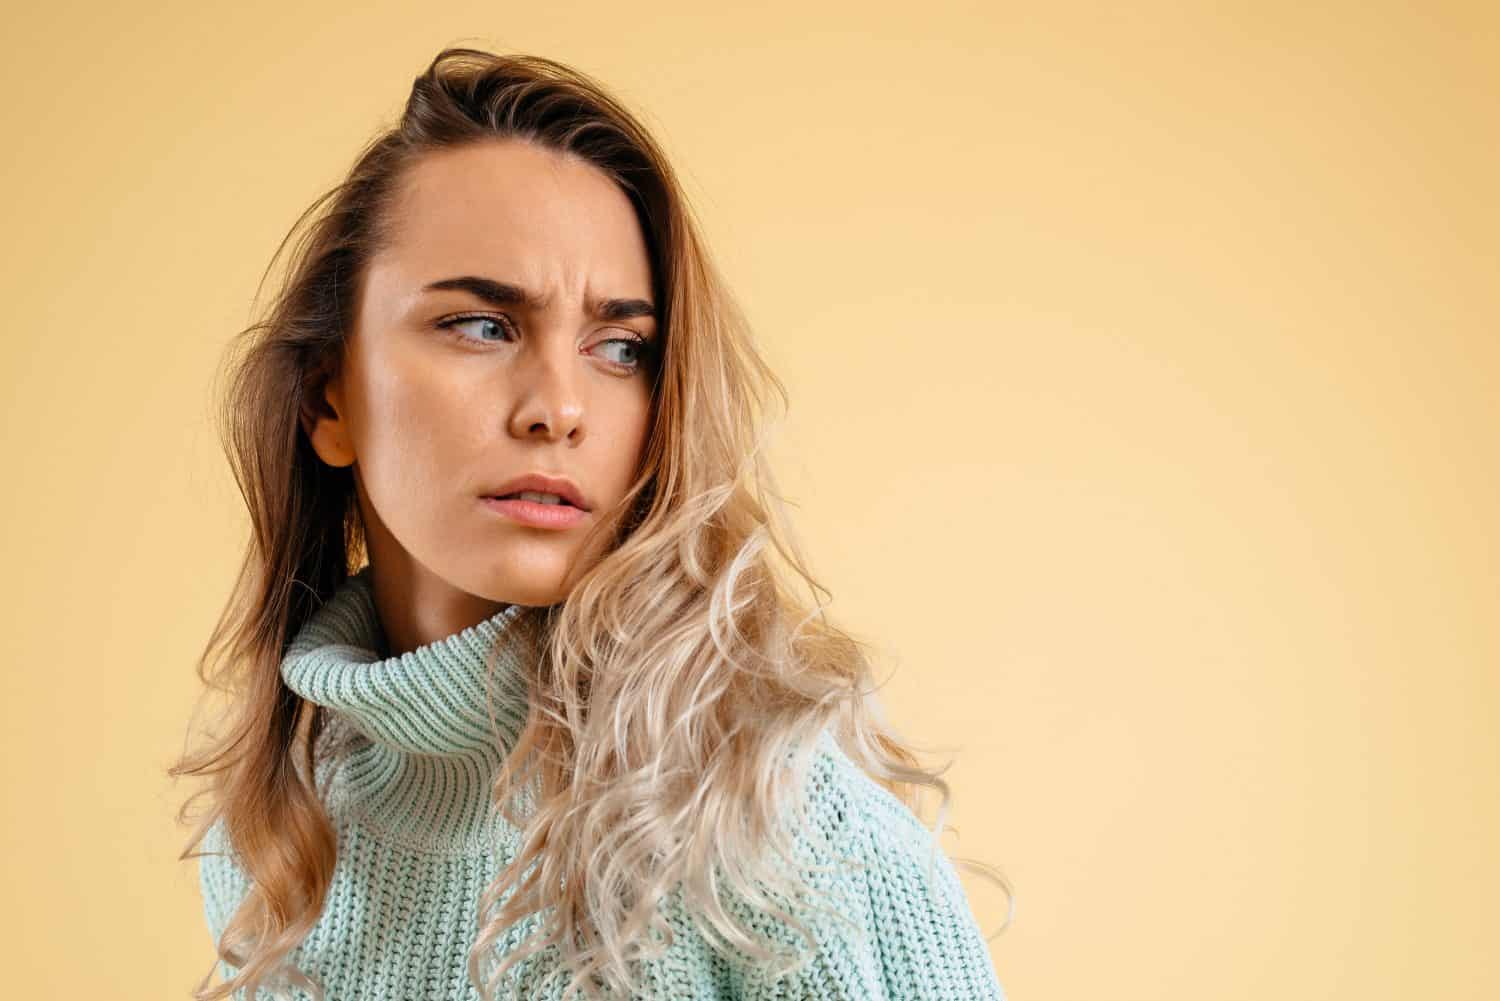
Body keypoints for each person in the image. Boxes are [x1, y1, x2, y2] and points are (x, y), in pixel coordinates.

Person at [169, 46, 1014, 1001]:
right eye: (483, 325)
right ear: (329, 399)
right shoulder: (271, 846)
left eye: (620, 348)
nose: (559, 408)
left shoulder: (783, 835)